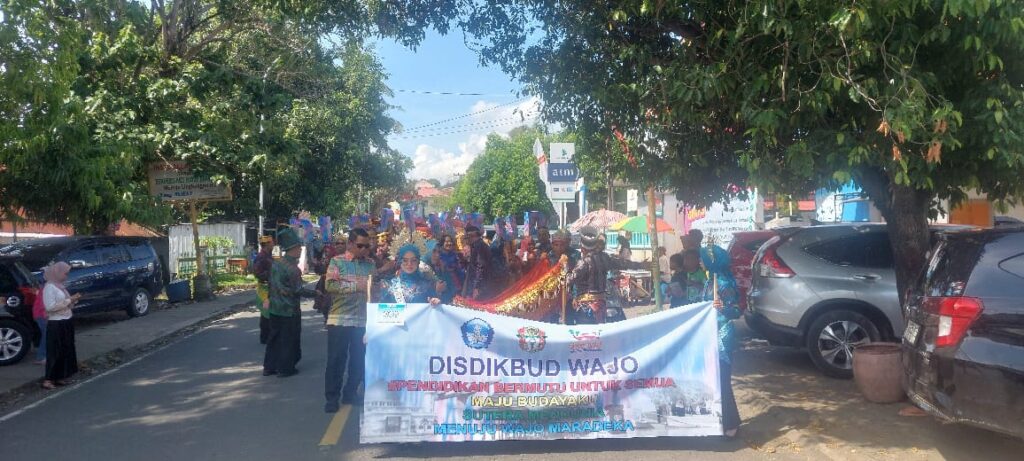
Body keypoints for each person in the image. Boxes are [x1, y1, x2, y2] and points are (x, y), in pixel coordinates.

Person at [324, 228, 376, 412]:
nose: (364, 250)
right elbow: (329, 285)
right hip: (340, 319)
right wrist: (356, 286)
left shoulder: (370, 264)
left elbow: (373, 289)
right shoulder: (337, 261)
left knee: (359, 360)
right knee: (336, 360)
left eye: (367, 246)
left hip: (362, 320)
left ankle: (350, 393)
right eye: (360, 246)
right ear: (351, 244)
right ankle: (332, 398)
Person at [700, 244, 742, 437]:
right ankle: (720, 420)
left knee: (723, 380)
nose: (700, 262)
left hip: (722, 337)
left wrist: (723, 307)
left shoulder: (724, 283)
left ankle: (732, 423)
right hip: (709, 335)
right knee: (713, 380)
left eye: (703, 259)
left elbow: (736, 311)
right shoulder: (710, 281)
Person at [263, 228, 315, 378]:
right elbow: (298, 290)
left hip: (275, 308)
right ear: (294, 248)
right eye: (299, 247)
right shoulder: (293, 269)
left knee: (274, 338)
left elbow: (271, 283)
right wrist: (315, 293)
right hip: (289, 310)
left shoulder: (276, 263)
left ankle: (269, 367)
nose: (301, 250)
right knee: (288, 339)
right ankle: (285, 368)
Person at [566, 226, 644, 324]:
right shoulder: (605, 258)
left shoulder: (583, 262)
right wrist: (642, 265)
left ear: (582, 248)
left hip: (586, 306)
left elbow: (569, 280)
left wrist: (565, 268)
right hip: (601, 303)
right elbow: (623, 263)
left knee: (587, 331)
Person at [41, 262, 81, 389]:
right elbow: (50, 307)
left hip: (66, 319)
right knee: (55, 351)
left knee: (66, 349)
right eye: (65, 273)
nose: (66, 276)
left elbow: (65, 302)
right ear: (57, 273)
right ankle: (48, 379)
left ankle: (60, 376)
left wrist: (73, 300)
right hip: (56, 322)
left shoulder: (60, 286)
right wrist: (70, 300)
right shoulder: (49, 287)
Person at [380, 242, 444, 305]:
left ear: (418, 262)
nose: (409, 264)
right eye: (405, 260)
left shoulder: (428, 285)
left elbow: (434, 306)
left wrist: (435, 302)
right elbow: (382, 309)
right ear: (400, 261)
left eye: (413, 260)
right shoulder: (390, 286)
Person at [252, 235, 275, 344]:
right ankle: (265, 336)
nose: (273, 244)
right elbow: (257, 273)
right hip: (264, 289)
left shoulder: (269, 255)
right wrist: (271, 274)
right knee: (266, 313)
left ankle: (269, 335)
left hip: (271, 288)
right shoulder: (261, 257)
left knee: (270, 312)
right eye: (272, 243)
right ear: (266, 244)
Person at [462, 225, 494, 300]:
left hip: (479, 285)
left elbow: (480, 267)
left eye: (467, 237)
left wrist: (477, 287)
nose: (467, 239)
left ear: (472, 236)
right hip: (478, 283)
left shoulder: (479, 246)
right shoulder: (476, 245)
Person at [32, 286, 47, 364]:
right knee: (46, 335)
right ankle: (41, 356)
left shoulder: (45, 288)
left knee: (46, 335)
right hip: (42, 315)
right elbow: (43, 304)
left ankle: (42, 356)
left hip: (39, 314)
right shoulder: (47, 288)